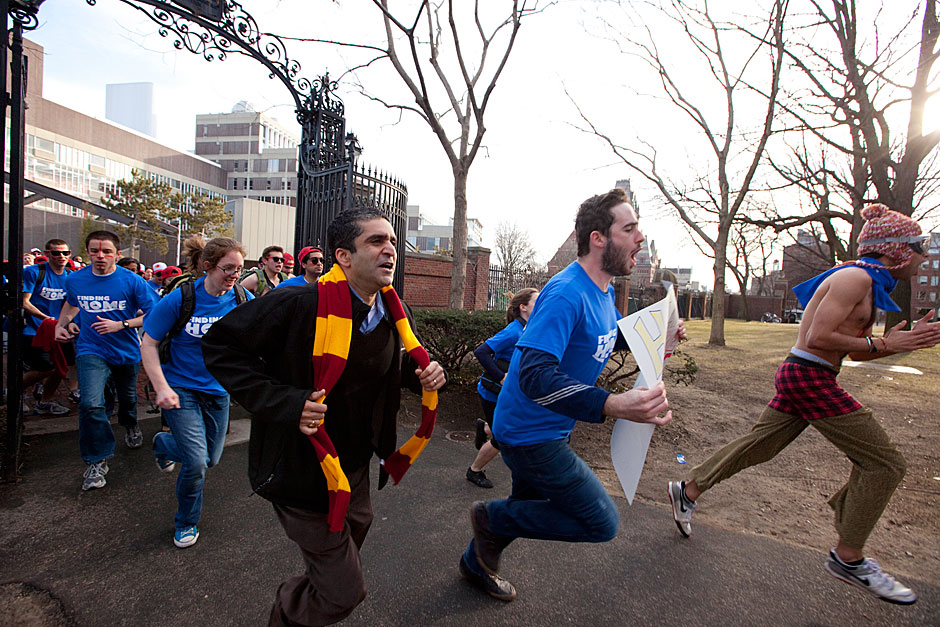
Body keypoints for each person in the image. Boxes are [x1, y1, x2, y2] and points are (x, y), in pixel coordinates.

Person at [667, 204, 940, 606]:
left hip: (806, 374)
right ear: (895, 249)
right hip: (809, 376)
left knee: (761, 445)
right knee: (885, 463)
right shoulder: (854, 278)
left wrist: (896, 344)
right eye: (919, 246)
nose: (923, 256)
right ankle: (849, 557)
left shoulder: (867, 282)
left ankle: (687, 490)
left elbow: (852, 351)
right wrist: (882, 342)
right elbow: (817, 337)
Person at [202, 207, 445, 626]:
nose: (390, 250)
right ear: (344, 256)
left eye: (392, 242)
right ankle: (287, 611)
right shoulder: (299, 302)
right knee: (343, 591)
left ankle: (305, 597)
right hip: (300, 469)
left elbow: (381, 368)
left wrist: (422, 374)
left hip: (353, 467)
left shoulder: (393, 311)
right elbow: (221, 347)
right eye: (376, 241)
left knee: (348, 546)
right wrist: (288, 402)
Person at [459, 188, 680, 602]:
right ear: (598, 238)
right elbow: (534, 375)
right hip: (529, 433)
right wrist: (611, 404)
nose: (639, 238)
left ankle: (475, 562)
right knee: (600, 521)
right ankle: (489, 518)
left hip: (548, 428)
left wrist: (657, 335)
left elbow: (604, 338)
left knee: (524, 508)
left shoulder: (603, 292)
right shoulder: (566, 293)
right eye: (629, 229)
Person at [141, 236, 251, 549]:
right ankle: (186, 522)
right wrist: (162, 387)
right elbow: (148, 343)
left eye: (239, 269)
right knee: (196, 463)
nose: (234, 275)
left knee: (210, 459)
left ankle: (163, 444)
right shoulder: (181, 298)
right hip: (181, 388)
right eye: (228, 268)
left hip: (218, 390)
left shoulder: (242, 297)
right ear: (207, 267)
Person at [55, 230, 160, 491]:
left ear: (117, 254)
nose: (100, 256)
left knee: (128, 399)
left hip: (125, 351)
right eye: (94, 251)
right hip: (90, 349)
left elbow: (155, 314)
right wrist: (62, 323)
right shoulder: (75, 279)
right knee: (91, 404)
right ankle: (96, 460)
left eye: (106, 252)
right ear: (88, 252)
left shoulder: (132, 281)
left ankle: (130, 423)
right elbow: (72, 303)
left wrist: (122, 324)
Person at [465, 288, 539, 489]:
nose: (541, 305)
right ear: (523, 307)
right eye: (536, 302)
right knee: (501, 439)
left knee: (508, 429)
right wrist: (501, 377)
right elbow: (481, 352)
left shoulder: (529, 328)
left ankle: (484, 428)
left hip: (509, 394)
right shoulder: (513, 331)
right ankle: (474, 470)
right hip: (492, 393)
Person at [21, 239, 74, 415]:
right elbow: (25, 302)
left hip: (59, 329)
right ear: (47, 254)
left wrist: (69, 323)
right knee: (44, 368)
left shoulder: (70, 276)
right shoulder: (34, 272)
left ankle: (45, 402)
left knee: (61, 368)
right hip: (34, 330)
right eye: (56, 253)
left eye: (65, 253)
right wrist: (45, 318)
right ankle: (14, 392)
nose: (61, 256)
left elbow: (71, 304)